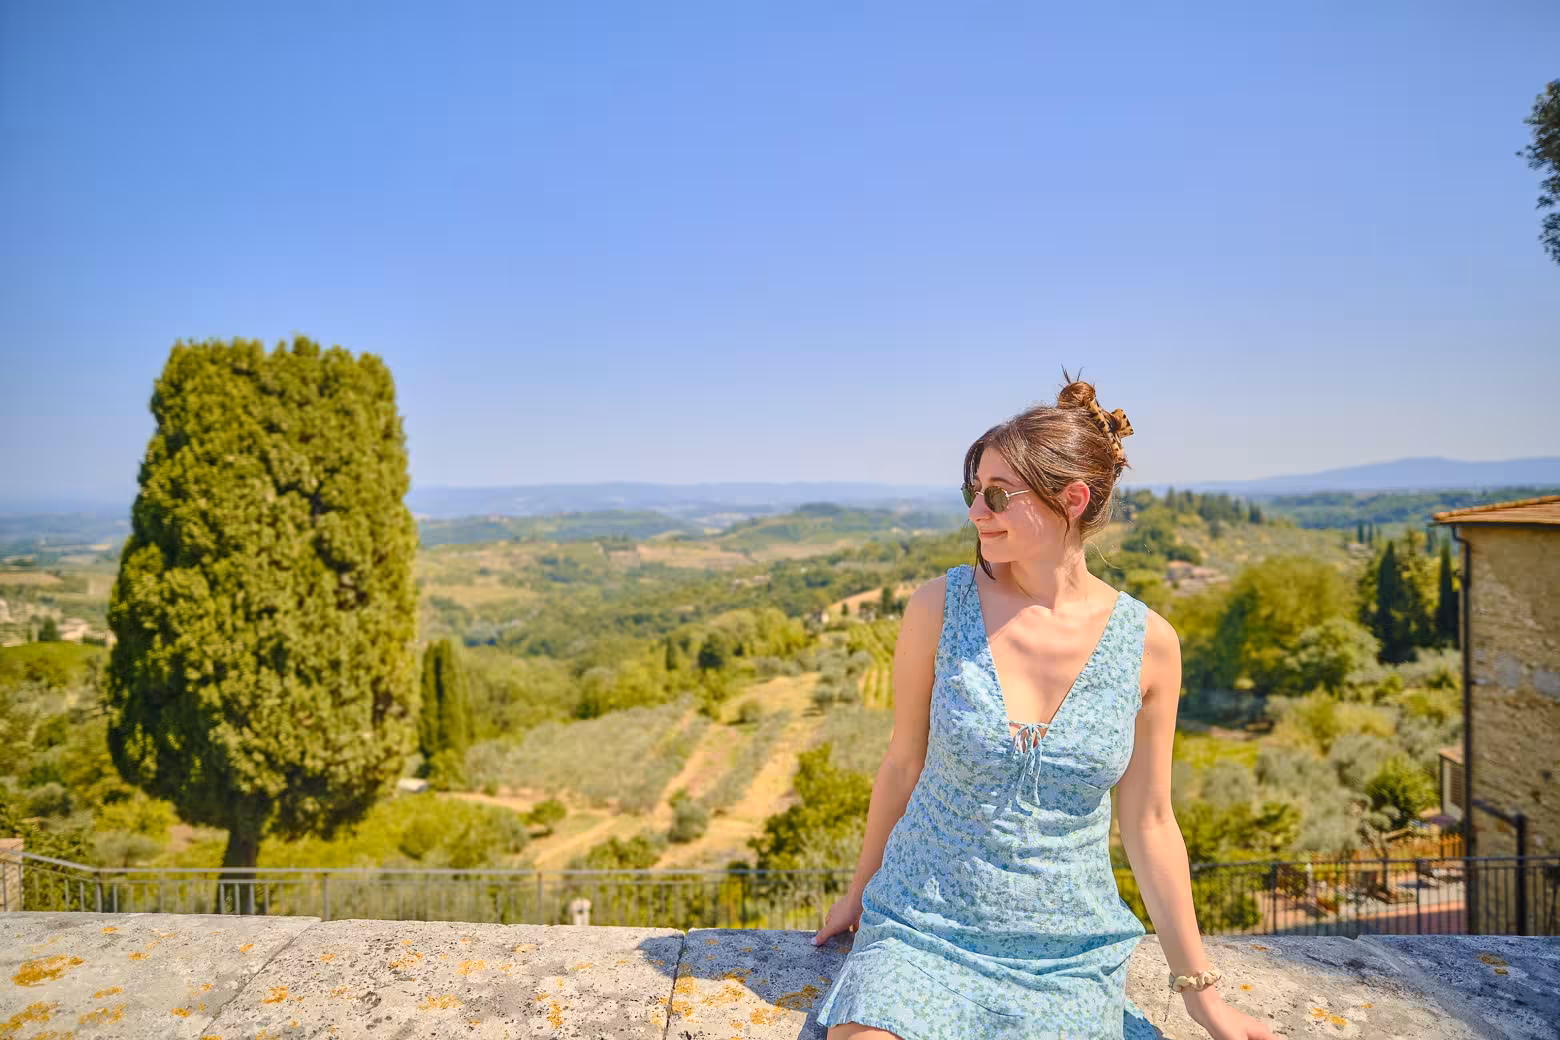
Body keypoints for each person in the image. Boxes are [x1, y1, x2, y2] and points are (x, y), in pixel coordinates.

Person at [810, 373, 1277, 1040]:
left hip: (1066, 952)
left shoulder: (1150, 645)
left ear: (1073, 499)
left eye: (997, 495)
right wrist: (859, 893)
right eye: (973, 492)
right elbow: (902, 764)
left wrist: (1201, 997)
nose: (977, 512)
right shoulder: (937, 608)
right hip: (921, 925)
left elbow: (1149, 821)